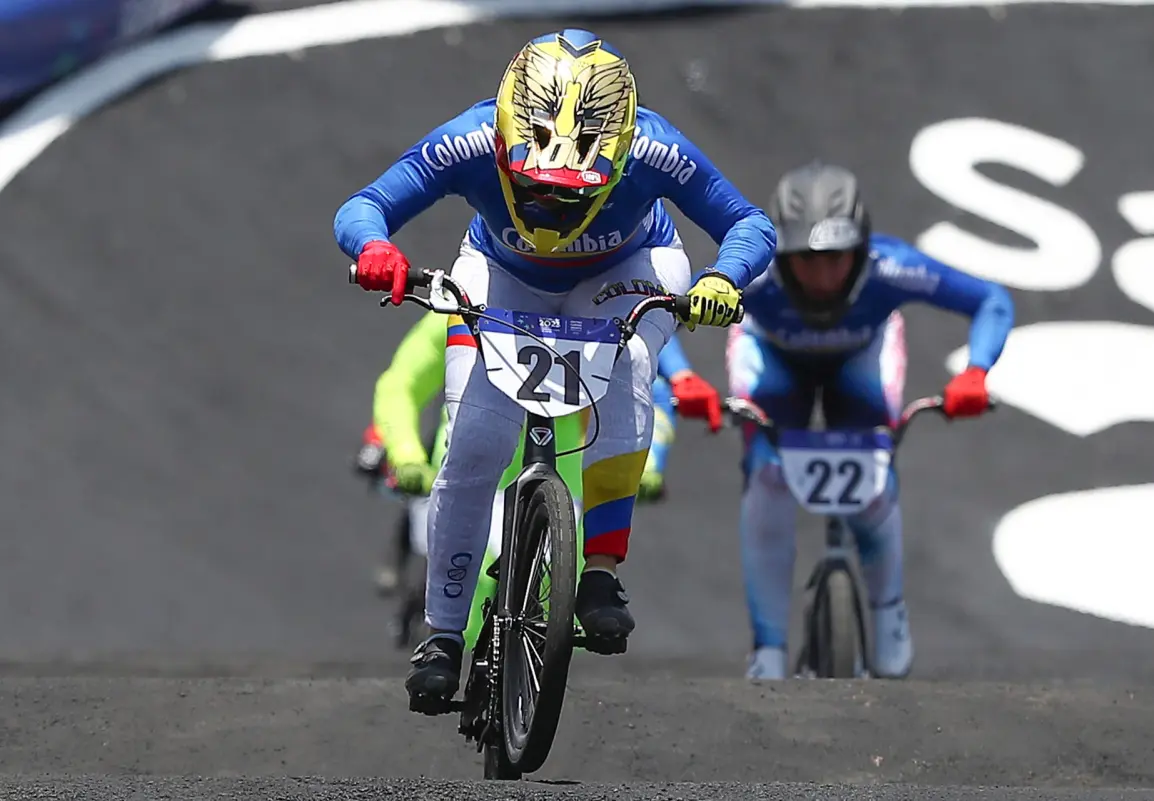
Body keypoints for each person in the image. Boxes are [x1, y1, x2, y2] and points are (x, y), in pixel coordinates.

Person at [334, 27, 774, 707]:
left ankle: (600, 568)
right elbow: (364, 206)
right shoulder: (472, 138)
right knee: (474, 446)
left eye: (572, 195)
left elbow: (750, 224)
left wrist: (724, 277)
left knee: (630, 364)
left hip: (630, 267)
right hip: (501, 274)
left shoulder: (657, 147)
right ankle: (443, 633)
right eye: (533, 188)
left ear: (621, 153)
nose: (550, 208)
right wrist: (374, 248)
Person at [727, 160, 1014, 680]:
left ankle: (889, 618)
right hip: (772, 359)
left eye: (835, 258)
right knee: (766, 474)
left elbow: (991, 299)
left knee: (875, 475)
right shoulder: (751, 273)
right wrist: (680, 380)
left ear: (860, 250)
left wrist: (975, 371)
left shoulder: (892, 267)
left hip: (861, 360)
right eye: (805, 261)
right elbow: (664, 306)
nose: (820, 276)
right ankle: (767, 649)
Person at [353, 313, 719, 649]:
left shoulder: (598, 311)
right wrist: (406, 456)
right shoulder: (468, 299)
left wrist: (648, 465)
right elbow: (402, 384)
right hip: (481, 472)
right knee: (471, 580)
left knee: (554, 594)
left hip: (568, 485)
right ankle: (447, 645)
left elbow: (645, 395)